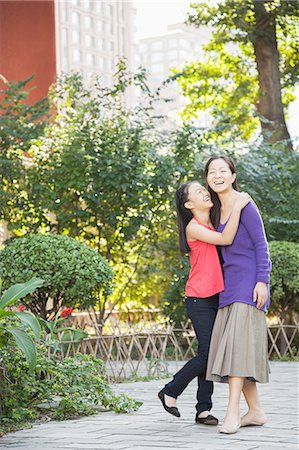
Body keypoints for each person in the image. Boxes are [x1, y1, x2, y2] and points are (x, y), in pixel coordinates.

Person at [158, 180, 250, 425]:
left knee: (208, 352)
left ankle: (203, 409)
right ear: (189, 204)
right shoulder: (193, 227)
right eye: (198, 191)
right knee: (210, 352)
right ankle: (170, 391)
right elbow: (226, 238)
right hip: (198, 297)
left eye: (203, 188)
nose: (205, 192)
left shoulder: (214, 220)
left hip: (217, 296)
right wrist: (239, 206)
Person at [205, 155, 271, 434]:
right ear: (207, 179)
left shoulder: (246, 204)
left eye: (223, 170)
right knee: (237, 350)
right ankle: (255, 412)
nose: (217, 175)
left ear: (233, 176)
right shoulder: (214, 210)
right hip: (228, 287)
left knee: (237, 350)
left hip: (248, 286)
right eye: (212, 171)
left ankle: (231, 412)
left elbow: (261, 244)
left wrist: (262, 281)